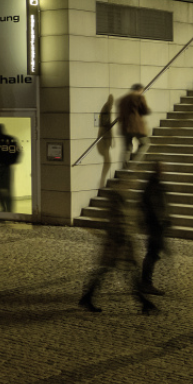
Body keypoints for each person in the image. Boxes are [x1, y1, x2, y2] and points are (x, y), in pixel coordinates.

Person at [79, 178, 155, 314]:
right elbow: (117, 221)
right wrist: (123, 239)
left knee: (123, 272)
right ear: (121, 185)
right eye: (128, 183)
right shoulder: (117, 198)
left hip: (121, 243)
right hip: (118, 244)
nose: (131, 185)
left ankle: (87, 297)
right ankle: (144, 302)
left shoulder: (121, 198)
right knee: (123, 272)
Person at [139, 160, 169, 296]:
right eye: (161, 168)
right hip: (155, 226)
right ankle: (146, 283)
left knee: (153, 254)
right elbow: (152, 206)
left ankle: (145, 282)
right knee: (152, 254)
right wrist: (160, 222)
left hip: (156, 226)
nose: (163, 170)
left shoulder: (154, 184)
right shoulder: (153, 185)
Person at [117, 84, 151, 158]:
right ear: (139, 90)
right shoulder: (139, 97)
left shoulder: (123, 99)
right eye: (142, 91)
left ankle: (125, 167)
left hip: (125, 126)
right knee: (145, 143)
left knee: (127, 148)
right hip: (136, 126)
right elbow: (145, 110)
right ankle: (134, 162)